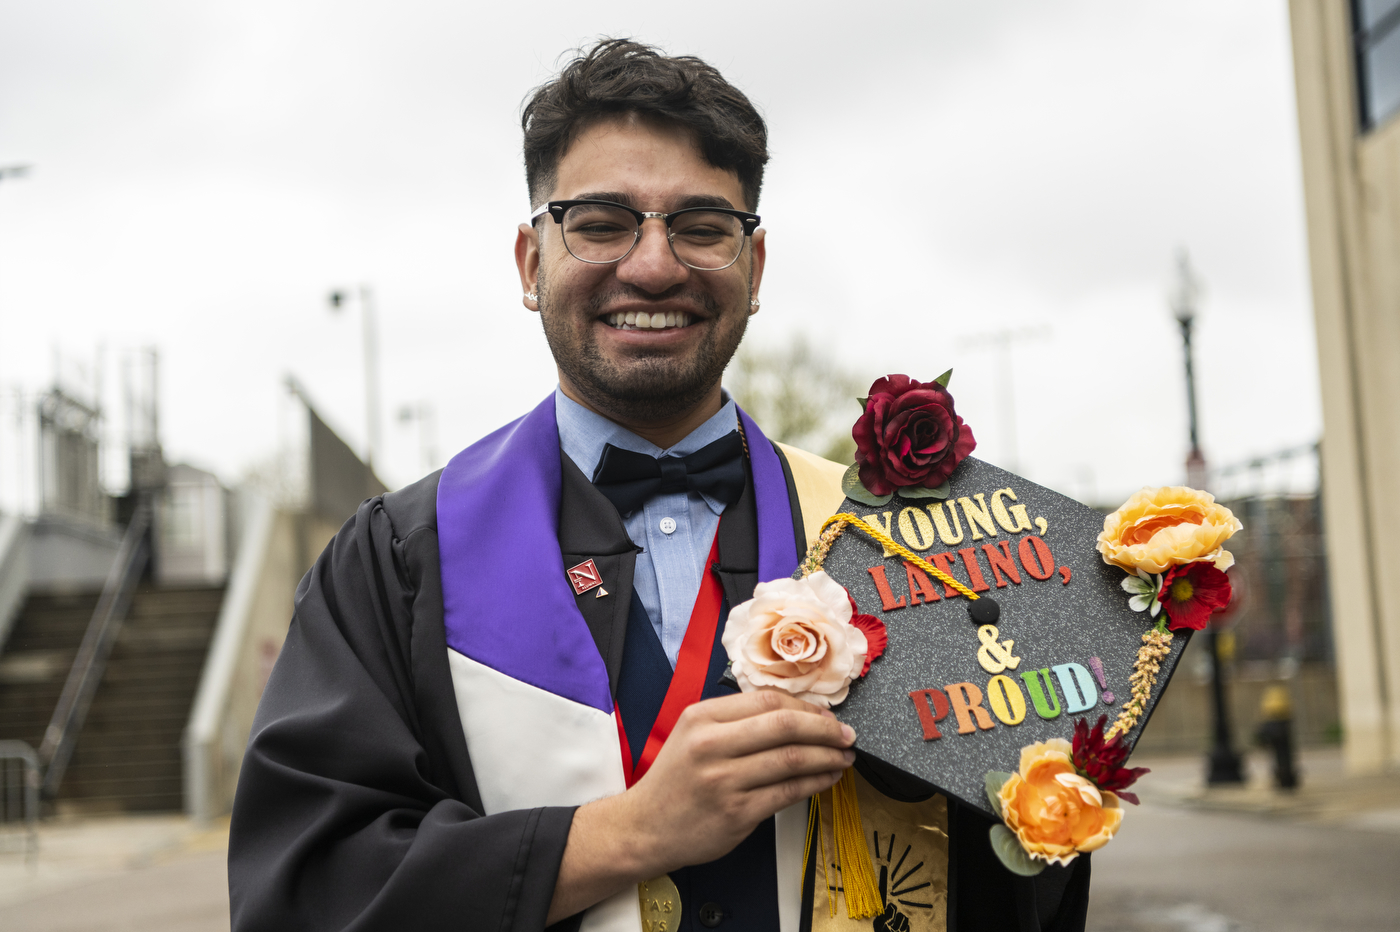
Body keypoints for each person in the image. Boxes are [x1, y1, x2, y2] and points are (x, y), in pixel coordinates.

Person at [228, 38, 1090, 932]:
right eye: (600, 222)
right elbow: (307, 890)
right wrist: (627, 835)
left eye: (702, 226)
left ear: (753, 271)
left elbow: (1014, 882)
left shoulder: (901, 544)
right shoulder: (404, 560)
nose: (652, 266)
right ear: (531, 264)